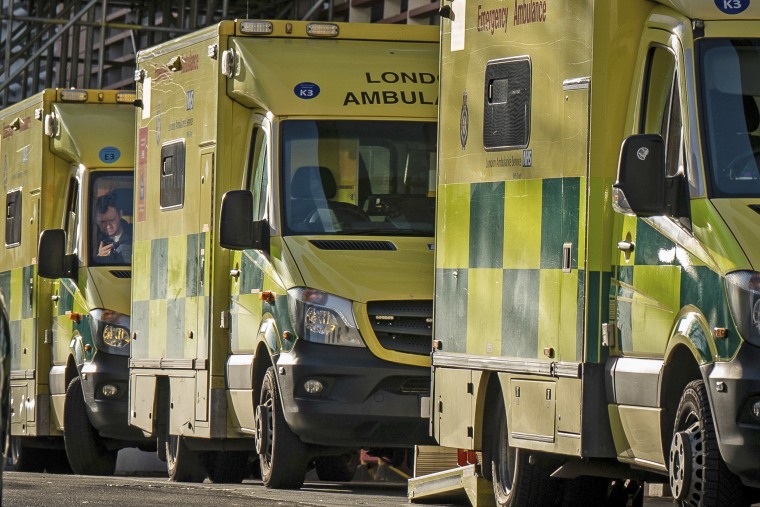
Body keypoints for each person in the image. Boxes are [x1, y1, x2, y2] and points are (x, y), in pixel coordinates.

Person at [94, 191, 132, 263]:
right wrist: (99, 257)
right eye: (102, 222)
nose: (108, 226)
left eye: (111, 220)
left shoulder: (134, 235)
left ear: (120, 214)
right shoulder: (93, 239)